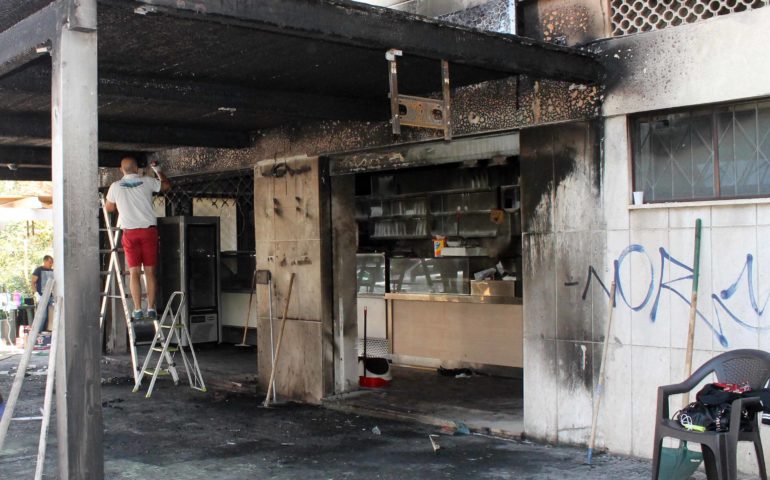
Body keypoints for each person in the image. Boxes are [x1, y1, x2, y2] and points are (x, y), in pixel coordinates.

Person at [105, 155, 171, 321]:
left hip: (130, 233)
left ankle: (137, 309)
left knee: (134, 272)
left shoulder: (115, 186)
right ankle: (150, 308)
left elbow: (109, 208)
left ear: (121, 170)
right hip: (148, 231)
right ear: (136, 169)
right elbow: (166, 186)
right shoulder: (147, 181)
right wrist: (158, 171)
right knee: (150, 272)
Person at [31, 255, 54, 330]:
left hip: (50, 296)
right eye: (50, 262)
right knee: (42, 315)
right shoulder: (38, 270)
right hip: (41, 296)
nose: (51, 264)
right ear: (45, 261)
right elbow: (32, 282)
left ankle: (45, 333)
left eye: (52, 262)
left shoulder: (52, 271)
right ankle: (38, 332)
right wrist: (36, 294)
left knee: (49, 316)